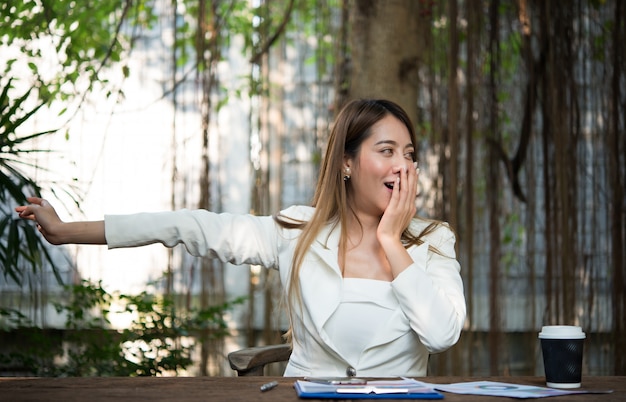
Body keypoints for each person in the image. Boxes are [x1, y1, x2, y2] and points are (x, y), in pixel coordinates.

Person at [16, 98, 466, 377]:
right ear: (346, 164)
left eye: (408, 155)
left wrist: (392, 240)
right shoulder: (297, 232)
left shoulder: (433, 240)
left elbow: (443, 334)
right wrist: (64, 230)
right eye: (385, 151)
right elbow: (189, 226)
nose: (401, 166)